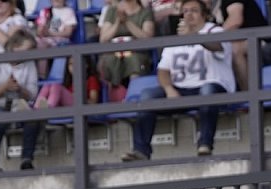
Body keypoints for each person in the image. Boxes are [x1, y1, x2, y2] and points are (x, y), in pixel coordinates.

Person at [120, 0, 232, 162]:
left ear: (204, 15)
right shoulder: (176, 38)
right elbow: (163, 70)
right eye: (185, 11)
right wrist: (169, 89)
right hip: (181, 90)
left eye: (194, 10)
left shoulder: (215, 30)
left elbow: (218, 46)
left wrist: (193, 36)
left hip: (212, 86)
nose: (189, 14)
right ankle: (141, 150)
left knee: (207, 91)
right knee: (147, 96)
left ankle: (205, 144)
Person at [0, 26, 39, 171]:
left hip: (18, 105)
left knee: (34, 119)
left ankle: (27, 161)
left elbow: (32, 94)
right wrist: (4, 87)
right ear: (15, 47)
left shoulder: (29, 63)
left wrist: (20, 89)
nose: (30, 54)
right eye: (27, 49)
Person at [95, 0, 156, 97]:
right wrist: (118, 22)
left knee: (135, 60)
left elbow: (147, 37)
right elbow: (103, 39)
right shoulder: (112, 11)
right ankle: (114, 99)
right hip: (114, 51)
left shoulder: (145, 12)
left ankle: (134, 96)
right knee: (109, 61)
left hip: (137, 51)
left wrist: (127, 21)